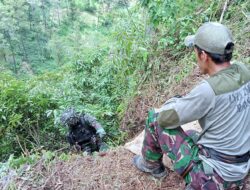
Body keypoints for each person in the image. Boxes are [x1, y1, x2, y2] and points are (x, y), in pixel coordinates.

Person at [132, 22, 250, 189]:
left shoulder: (208, 91)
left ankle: (151, 165)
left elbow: (165, 118)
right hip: (240, 165)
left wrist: (175, 101)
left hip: (218, 177)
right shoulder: (243, 71)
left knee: (155, 118)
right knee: (192, 134)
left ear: (203, 55)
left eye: (195, 51)